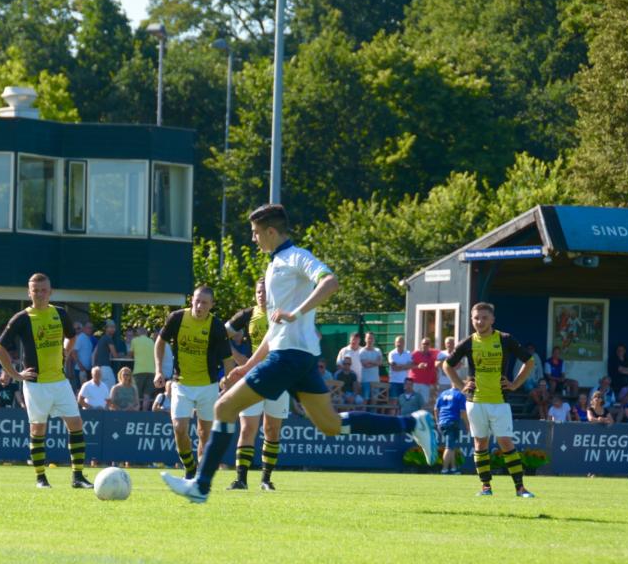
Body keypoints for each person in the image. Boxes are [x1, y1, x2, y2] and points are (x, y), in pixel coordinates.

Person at [162, 203, 437, 503]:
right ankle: (413, 423)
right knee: (330, 425)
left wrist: (297, 311)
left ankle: (200, 486)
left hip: (290, 356)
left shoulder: (296, 257)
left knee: (223, 408)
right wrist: (249, 365)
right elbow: (275, 329)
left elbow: (330, 282)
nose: (253, 239)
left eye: (255, 233)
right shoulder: (274, 265)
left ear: (270, 231)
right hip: (298, 356)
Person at [0, 273, 93, 489]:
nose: (39, 293)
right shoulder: (22, 318)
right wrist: (15, 375)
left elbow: (71, 336)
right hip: (36, 385)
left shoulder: (60, 313)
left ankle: (78, 477)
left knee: (76, 424)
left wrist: (65, 355)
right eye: (35, 290)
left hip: (60, 382)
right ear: (29, 292)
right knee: (38, 430)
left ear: (50, 292)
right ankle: (41, 478)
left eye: (43, 290)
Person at [442, 302, 537, 498]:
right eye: (476, 318)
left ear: (493, 319)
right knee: (480, 444)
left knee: (505, 442)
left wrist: (515, 384)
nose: (480, 321)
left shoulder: (505, 339)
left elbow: (529, 361)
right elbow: (447, 365)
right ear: (471, 320)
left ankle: (520, 488)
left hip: (499, 401)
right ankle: (486, 487)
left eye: (485, 318)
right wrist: (461, 386)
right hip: (475, 402)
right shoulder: (467, 342)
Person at [154, 285, 235, 480]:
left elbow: (227, 358)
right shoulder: (177, 318)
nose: (199, 306)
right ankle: (189, 468)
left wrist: (229, 384)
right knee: (179, 428)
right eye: (197, 301)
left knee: (205, 434)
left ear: (211, 305)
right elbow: (160, 342)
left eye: (204, 303)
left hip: (208, 387)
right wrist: (158, 371)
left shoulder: (216, 326)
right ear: (192, 300)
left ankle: (199, 473)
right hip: (181, 384)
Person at [225, 278, 290, 490]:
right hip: (253, 379)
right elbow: (221, 334)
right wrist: (237, 358)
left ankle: (265, 479)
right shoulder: (247, 314)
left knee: (271, 429)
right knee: (247, 428)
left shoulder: (282, 313)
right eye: (258, 291)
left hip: (278, 378)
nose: (261, 295)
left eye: (265, 291)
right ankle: (241, 480)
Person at [434, 381, 468, 475]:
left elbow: (436, 409)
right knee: (449, 447)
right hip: (452, 421)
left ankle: (453, 468)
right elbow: (462, 412)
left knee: (451, 446)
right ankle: (444, 469)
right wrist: (467, 424)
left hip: (443, 422)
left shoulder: (443, 393)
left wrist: (437, 422)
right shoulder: (460, 395)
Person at [129, 326, 157, 410]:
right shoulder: (151, 341)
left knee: (136, 393)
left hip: (139, 370)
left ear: (138, 332)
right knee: (147, 394)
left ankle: (136, 411)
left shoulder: (134, 340)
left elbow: (130, 355)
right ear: (146, 333)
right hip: (151, 371)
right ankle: (144, 412)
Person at [409, 337, 438, 405]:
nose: (425, 345)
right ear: (420, 344)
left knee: (424, 403)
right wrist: (417, 366)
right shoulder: (415, 354)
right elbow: (408, 366)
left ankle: (420, 416)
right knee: (412, 402)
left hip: (426, 383)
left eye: (427, 344)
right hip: (415, 382)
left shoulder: (432, 356)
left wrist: (434, 383)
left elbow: (433, 370)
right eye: (423, 344)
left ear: (429, 345)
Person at [92, 320, 119, 388]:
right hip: (105, 368)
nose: (113, 329)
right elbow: (115, 355)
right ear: (106, 328)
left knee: (100, 389)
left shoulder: (102, 338)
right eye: (111, 327)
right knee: (111, 388)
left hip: (98, 368)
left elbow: (94, 354)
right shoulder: (108, 338)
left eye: (114, 327)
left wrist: (94, 366)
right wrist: (122, 356)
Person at [357, 333, 383, 402]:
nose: (370, 340)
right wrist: (375, 363)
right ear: (365, 339)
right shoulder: (362, 351)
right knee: (365, 400)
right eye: (368, 338)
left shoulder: (378, 351)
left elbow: (380, 363)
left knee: (374, 401)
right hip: (365, 381)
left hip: (376, 381)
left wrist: (369, 361)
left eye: (372, 338)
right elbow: (365, 365)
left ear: (374, 340)